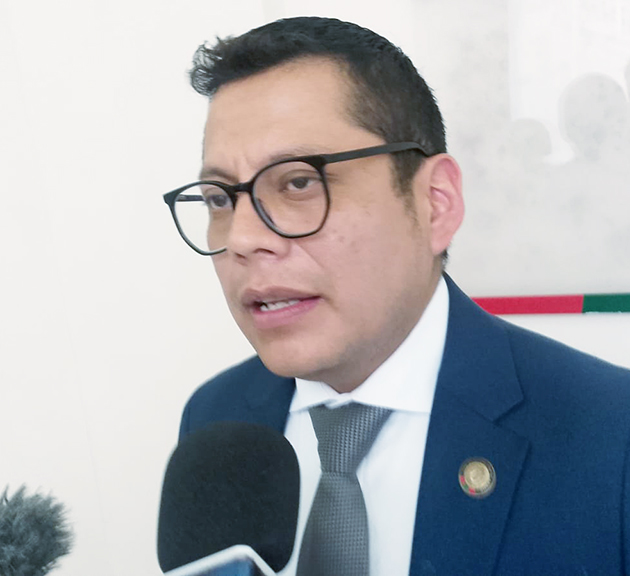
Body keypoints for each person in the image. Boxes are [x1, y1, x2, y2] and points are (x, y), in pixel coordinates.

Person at [163, 17, 630, 576]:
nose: (242, 239)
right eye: (219, 199)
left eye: (298, 182)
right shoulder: (214, 422)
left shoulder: (610, 435)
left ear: (435, 203)